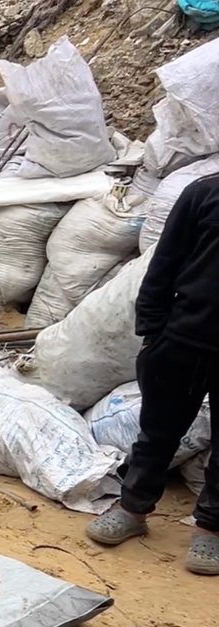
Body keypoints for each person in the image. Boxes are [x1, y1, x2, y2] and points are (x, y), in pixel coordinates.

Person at [85, 173, 218, 576]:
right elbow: (164, 264)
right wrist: (153, 332)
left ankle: (211, 529)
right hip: (182, 341)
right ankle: (132, 509)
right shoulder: (204, 194)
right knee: (158, 432)